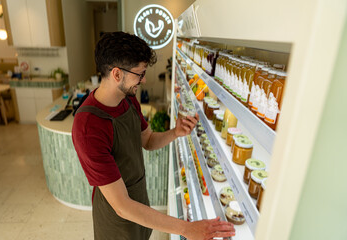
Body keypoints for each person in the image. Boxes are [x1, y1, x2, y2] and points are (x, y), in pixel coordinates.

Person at [72, 31, 235, 240]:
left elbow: (147, 140)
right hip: (116, 223)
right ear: (117, 74)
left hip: (140, 206)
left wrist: (175, 132)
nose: (144, 79)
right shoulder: (89, 127)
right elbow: (121, 206)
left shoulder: (128, 100)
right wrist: (186, 228)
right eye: (139, 73)